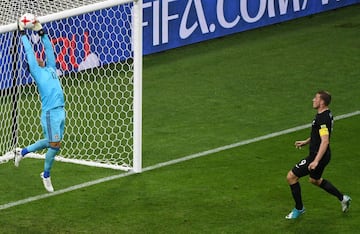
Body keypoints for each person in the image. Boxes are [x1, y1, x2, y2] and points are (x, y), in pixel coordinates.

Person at [14, 18, 65, 193]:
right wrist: (22, 34)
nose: (38, 57)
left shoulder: (50, 68)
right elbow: (29, 52)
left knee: (52, 144)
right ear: (33, 67)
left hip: (61, 111)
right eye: (35, 60)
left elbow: (49, 49)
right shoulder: (36, 72)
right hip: (50, 113)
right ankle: (46, 174)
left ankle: (23, 152)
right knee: (55, 145)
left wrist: (40, 31)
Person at [285, 90, 351, 219]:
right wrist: (306, 141)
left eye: (315, 98)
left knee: (291, 177)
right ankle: (343, 198)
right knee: (314, 180)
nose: (313, 100)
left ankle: (299, 209)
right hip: (323, 155)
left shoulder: (322, 118)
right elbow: (319, 134)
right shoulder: (325, 115)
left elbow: (325, 141)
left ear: (321, 102)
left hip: (318, 155)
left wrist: (315, 161)